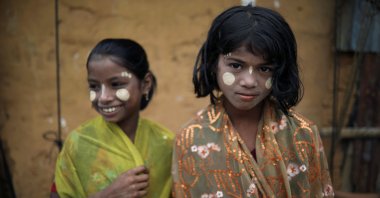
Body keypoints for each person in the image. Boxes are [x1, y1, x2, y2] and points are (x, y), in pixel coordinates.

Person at [172, 5, 334, 197]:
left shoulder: (303, 135)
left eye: (264, 69)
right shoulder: (191, 140)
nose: (249, 82)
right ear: (214, 63)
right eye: (235, 65)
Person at [53, 38, 174, 198]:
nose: (103, 97)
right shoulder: (78, 144)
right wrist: (107, 195)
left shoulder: (167, 144)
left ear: (145, 84)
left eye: (116, 84)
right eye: (94, 86)